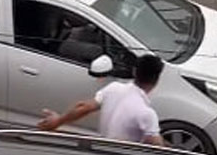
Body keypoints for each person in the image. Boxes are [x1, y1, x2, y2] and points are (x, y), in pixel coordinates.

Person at [37, 54, 166, 147]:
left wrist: (58, 121)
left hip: (103, 151)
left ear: (134, 71)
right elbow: (155, 144)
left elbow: (83, 107)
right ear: (157, 79)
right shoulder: (147, 113)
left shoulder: (113, 88)